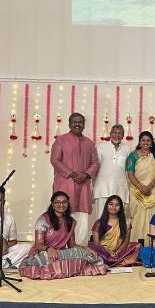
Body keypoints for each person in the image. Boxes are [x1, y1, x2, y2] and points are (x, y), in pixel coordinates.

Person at [19, 191, 106, 280]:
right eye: (57, 202)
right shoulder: (43, 220)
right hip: (43, 253)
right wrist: (49, 249)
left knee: (87, 253)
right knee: (48, 258)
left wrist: (86, 248)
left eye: (64, 202)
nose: (61, 205)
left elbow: (72, 245)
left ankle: (62, 266)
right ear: (52, 205)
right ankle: (66, 267)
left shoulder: (71, 221)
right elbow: (38, 245)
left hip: (60, 254)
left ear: (68, 204)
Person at [50, 113, 99, 244]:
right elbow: (55, 160)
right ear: (69, 124)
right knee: (63, 212)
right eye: (74, 122)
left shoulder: (90, 143)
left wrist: (86, 175)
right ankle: (61, 246)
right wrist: (72, 174)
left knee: (82, 216)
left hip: (83, 185)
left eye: (80, 122)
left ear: (84, 124)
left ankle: (80, 247)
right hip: (65, 184)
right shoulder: (61, 140)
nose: (77, 124)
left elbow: (95, 163)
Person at [125, 131, 155, 244]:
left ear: (152, 142)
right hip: (136, 191)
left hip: (152, 191)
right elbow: (130, 174)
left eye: (148, 140)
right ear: (139, 142)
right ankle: (135, 245)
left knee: (152, 217)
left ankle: (151, 244)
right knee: (137, 217)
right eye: (143, 140)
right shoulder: (133, 156)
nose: (146, 143)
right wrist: (141, 187)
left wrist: (149, 187)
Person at [93, 124, 130, 223]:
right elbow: (94, 168)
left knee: (117, 222)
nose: (117, 135)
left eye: (119, 133)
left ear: (123, 135)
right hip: (102, 190)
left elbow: (128, 170)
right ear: (110, 134)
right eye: (115, 133)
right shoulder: (101, 147)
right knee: (101, 220)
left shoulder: (127, 149)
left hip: (120, 190)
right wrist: (92, 188)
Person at [89, 194, 139, 266]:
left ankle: (114, 260)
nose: (114, 207)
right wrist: (108, 251)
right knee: (93, 247)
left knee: (137, 246)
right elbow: (97, 243)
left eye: (117, 205)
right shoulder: (98, 223)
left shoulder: (126, 223)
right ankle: (117, 261)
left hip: (118, 252)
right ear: (106, 206)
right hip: (102, 252)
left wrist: (117, 252)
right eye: (111, 204)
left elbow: (125, 242)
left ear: (120, 208)